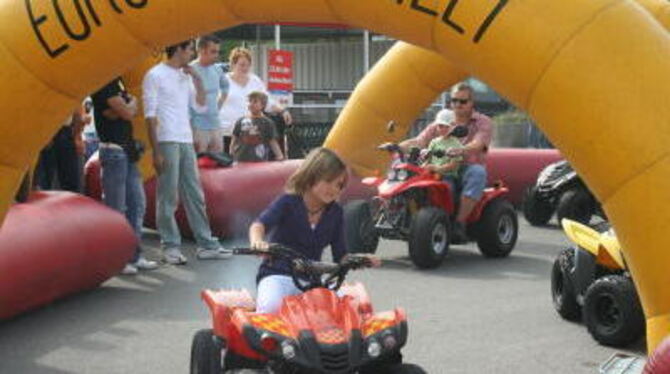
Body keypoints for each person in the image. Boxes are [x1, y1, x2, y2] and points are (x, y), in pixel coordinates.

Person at [248, 147, 379, 314]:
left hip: (313, 282)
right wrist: (257, 242)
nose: (333, 189)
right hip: (277, 276)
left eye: (339, 185)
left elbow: (341, 256)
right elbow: (258, 225)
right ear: (311, 176)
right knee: (270, 309)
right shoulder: (287, 202)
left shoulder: (336, 212)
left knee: (347, 311)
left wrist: (360, 259)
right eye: (328, 181)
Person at [143, 39, 232, 265]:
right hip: (166, 140)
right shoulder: (155, 75)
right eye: (190, 49)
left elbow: (201, 106)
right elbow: (150, 116)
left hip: (185, 140)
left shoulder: (186, 76)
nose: (192, 53)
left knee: (195, 194)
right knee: (168, 196)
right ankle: (170, 246)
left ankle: (206, 244)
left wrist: (197, 79)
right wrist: (156, 151)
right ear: (179, 50)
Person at [400, 83, 493, 242]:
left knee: (477, 173)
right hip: (440, 167)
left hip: (466, 167)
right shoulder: (442, 121)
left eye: (462, 101)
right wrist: (397, 146)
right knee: (412, 176)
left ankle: (459, 223)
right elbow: (420, 141)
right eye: (454, 100)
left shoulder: (483, 122)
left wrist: (461, 150)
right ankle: (407, 216)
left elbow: (478, 144)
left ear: (472, 103)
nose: (457, 105)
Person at [91, 77, 158, 275]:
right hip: (112, 151)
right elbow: (129, 111)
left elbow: (125, 110)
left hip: (126, 151)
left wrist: (125, 106)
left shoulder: (117, 82)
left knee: (137, 205)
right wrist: (129, 104)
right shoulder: (103, 84)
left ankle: (134, 255)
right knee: (116, 209)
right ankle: (117, 259)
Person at [219, 47, 292, 153]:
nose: (245, 68)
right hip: (226, 133)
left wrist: (283, 110)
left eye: (248, 65)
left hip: (251, 135)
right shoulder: (222, 81)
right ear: (233, 64)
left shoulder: (255, 81)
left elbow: (267, 102)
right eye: (242, 64)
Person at [189, 35, 229, 154]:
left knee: (218, 163)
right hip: (197, 126)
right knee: (199, 164)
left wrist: (219, 104)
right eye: (213, 51)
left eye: (217, 51)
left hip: (215, 124)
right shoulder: (190, 70)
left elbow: (225, 86)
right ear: (201, 50)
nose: (216, 55)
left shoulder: (217, 69)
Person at [34, 107, 86, 192]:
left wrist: (76, 135)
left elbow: (77, 112)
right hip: (51, 129)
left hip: (62, 130)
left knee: (66, 180)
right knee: (46, 180)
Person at [230, 91, 284, 162]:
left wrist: (280, 156)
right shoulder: (240, 121)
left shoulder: (267, 123)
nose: (251, 104)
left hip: (259, 160)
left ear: (262, 105)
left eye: (255, 102)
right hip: (241, 159)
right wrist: (231, 151)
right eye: (250, 101)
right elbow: (234, 138)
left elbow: (272, 141)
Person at [421, 109, 464, 196]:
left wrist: (437, 168)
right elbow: (428, 158)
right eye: (440, 126)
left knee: (448, 189)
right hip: (432, 173)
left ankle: (448, 209)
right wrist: (424, 164)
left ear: (452, 127)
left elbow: (454, 165)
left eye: (446, 126)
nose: (443, 129)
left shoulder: (456, 144)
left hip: (447, 176)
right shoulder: (434, 142)